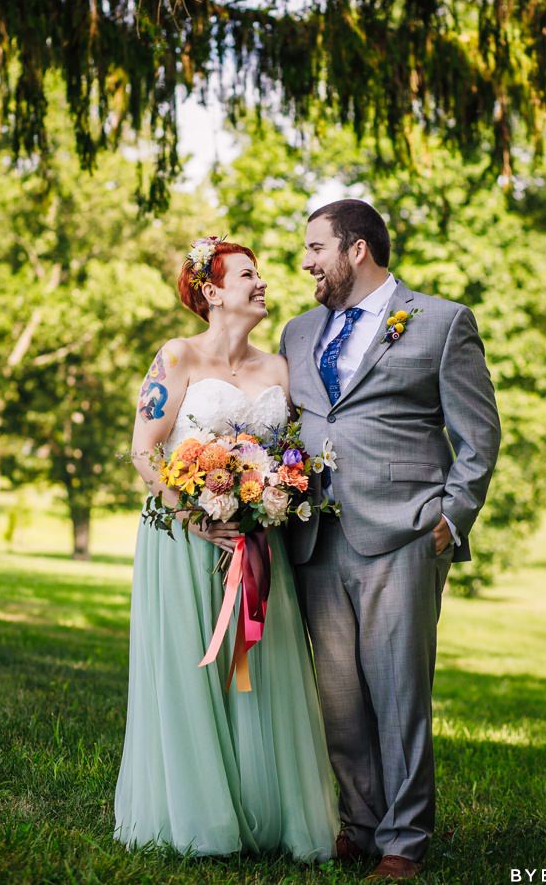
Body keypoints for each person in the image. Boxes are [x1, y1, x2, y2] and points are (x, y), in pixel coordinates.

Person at [279, 199, 500, 881]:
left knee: (400, 690)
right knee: (338, 694)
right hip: (315, 532)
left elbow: (479, 434)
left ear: (357, 250)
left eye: (317, 247)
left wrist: (451, 516)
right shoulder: (296, 331)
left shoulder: (440, 322)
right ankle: (360, 822)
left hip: (405, 531)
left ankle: (404, 839)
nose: (307, 261)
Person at [115, 237, 337, 861]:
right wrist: (195, 517)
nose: (262, 282)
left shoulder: (278, 369)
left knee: (257, 674)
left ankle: (267, 814)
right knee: (195, 670)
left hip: (257, 546)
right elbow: (143, 451)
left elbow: (290, 456)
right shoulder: (176, 356)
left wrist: (272, 497)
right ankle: (198, 815)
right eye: (247, 275)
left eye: (259, 274)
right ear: (212, 292)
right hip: (183, 542)